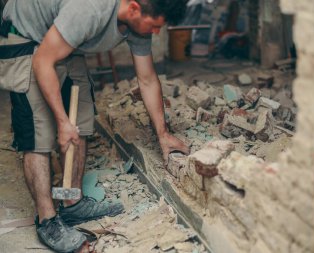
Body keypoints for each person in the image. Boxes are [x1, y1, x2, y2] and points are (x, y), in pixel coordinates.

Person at [1, 0, 189, 252]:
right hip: (25, 35)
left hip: (62, 36)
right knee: (39, 133)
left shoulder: (139, 24)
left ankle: (71, 203)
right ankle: (47, 220)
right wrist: (61, 121)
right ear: (134, 8)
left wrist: (163, 134)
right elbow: (43, 61)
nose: (156, 33)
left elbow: (146, 78)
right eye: (154, 26)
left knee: (82, 118)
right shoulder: (90, 8)